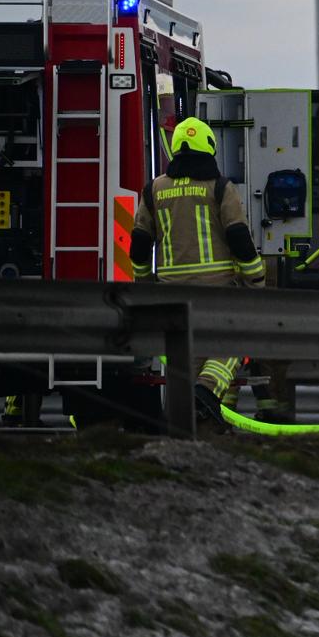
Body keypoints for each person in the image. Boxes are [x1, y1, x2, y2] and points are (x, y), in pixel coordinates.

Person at [129, 117, 269, 423]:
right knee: (236, 338)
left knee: (185, 360)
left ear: (175, 150)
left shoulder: (154, 190)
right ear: (209, 148)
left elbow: (139, 243)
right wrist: (255, 279)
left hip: (170, 295)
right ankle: (206, 392)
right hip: (216, 292)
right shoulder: (220, 188)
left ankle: (186, 425)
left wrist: (144, 281)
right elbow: (239, 238)